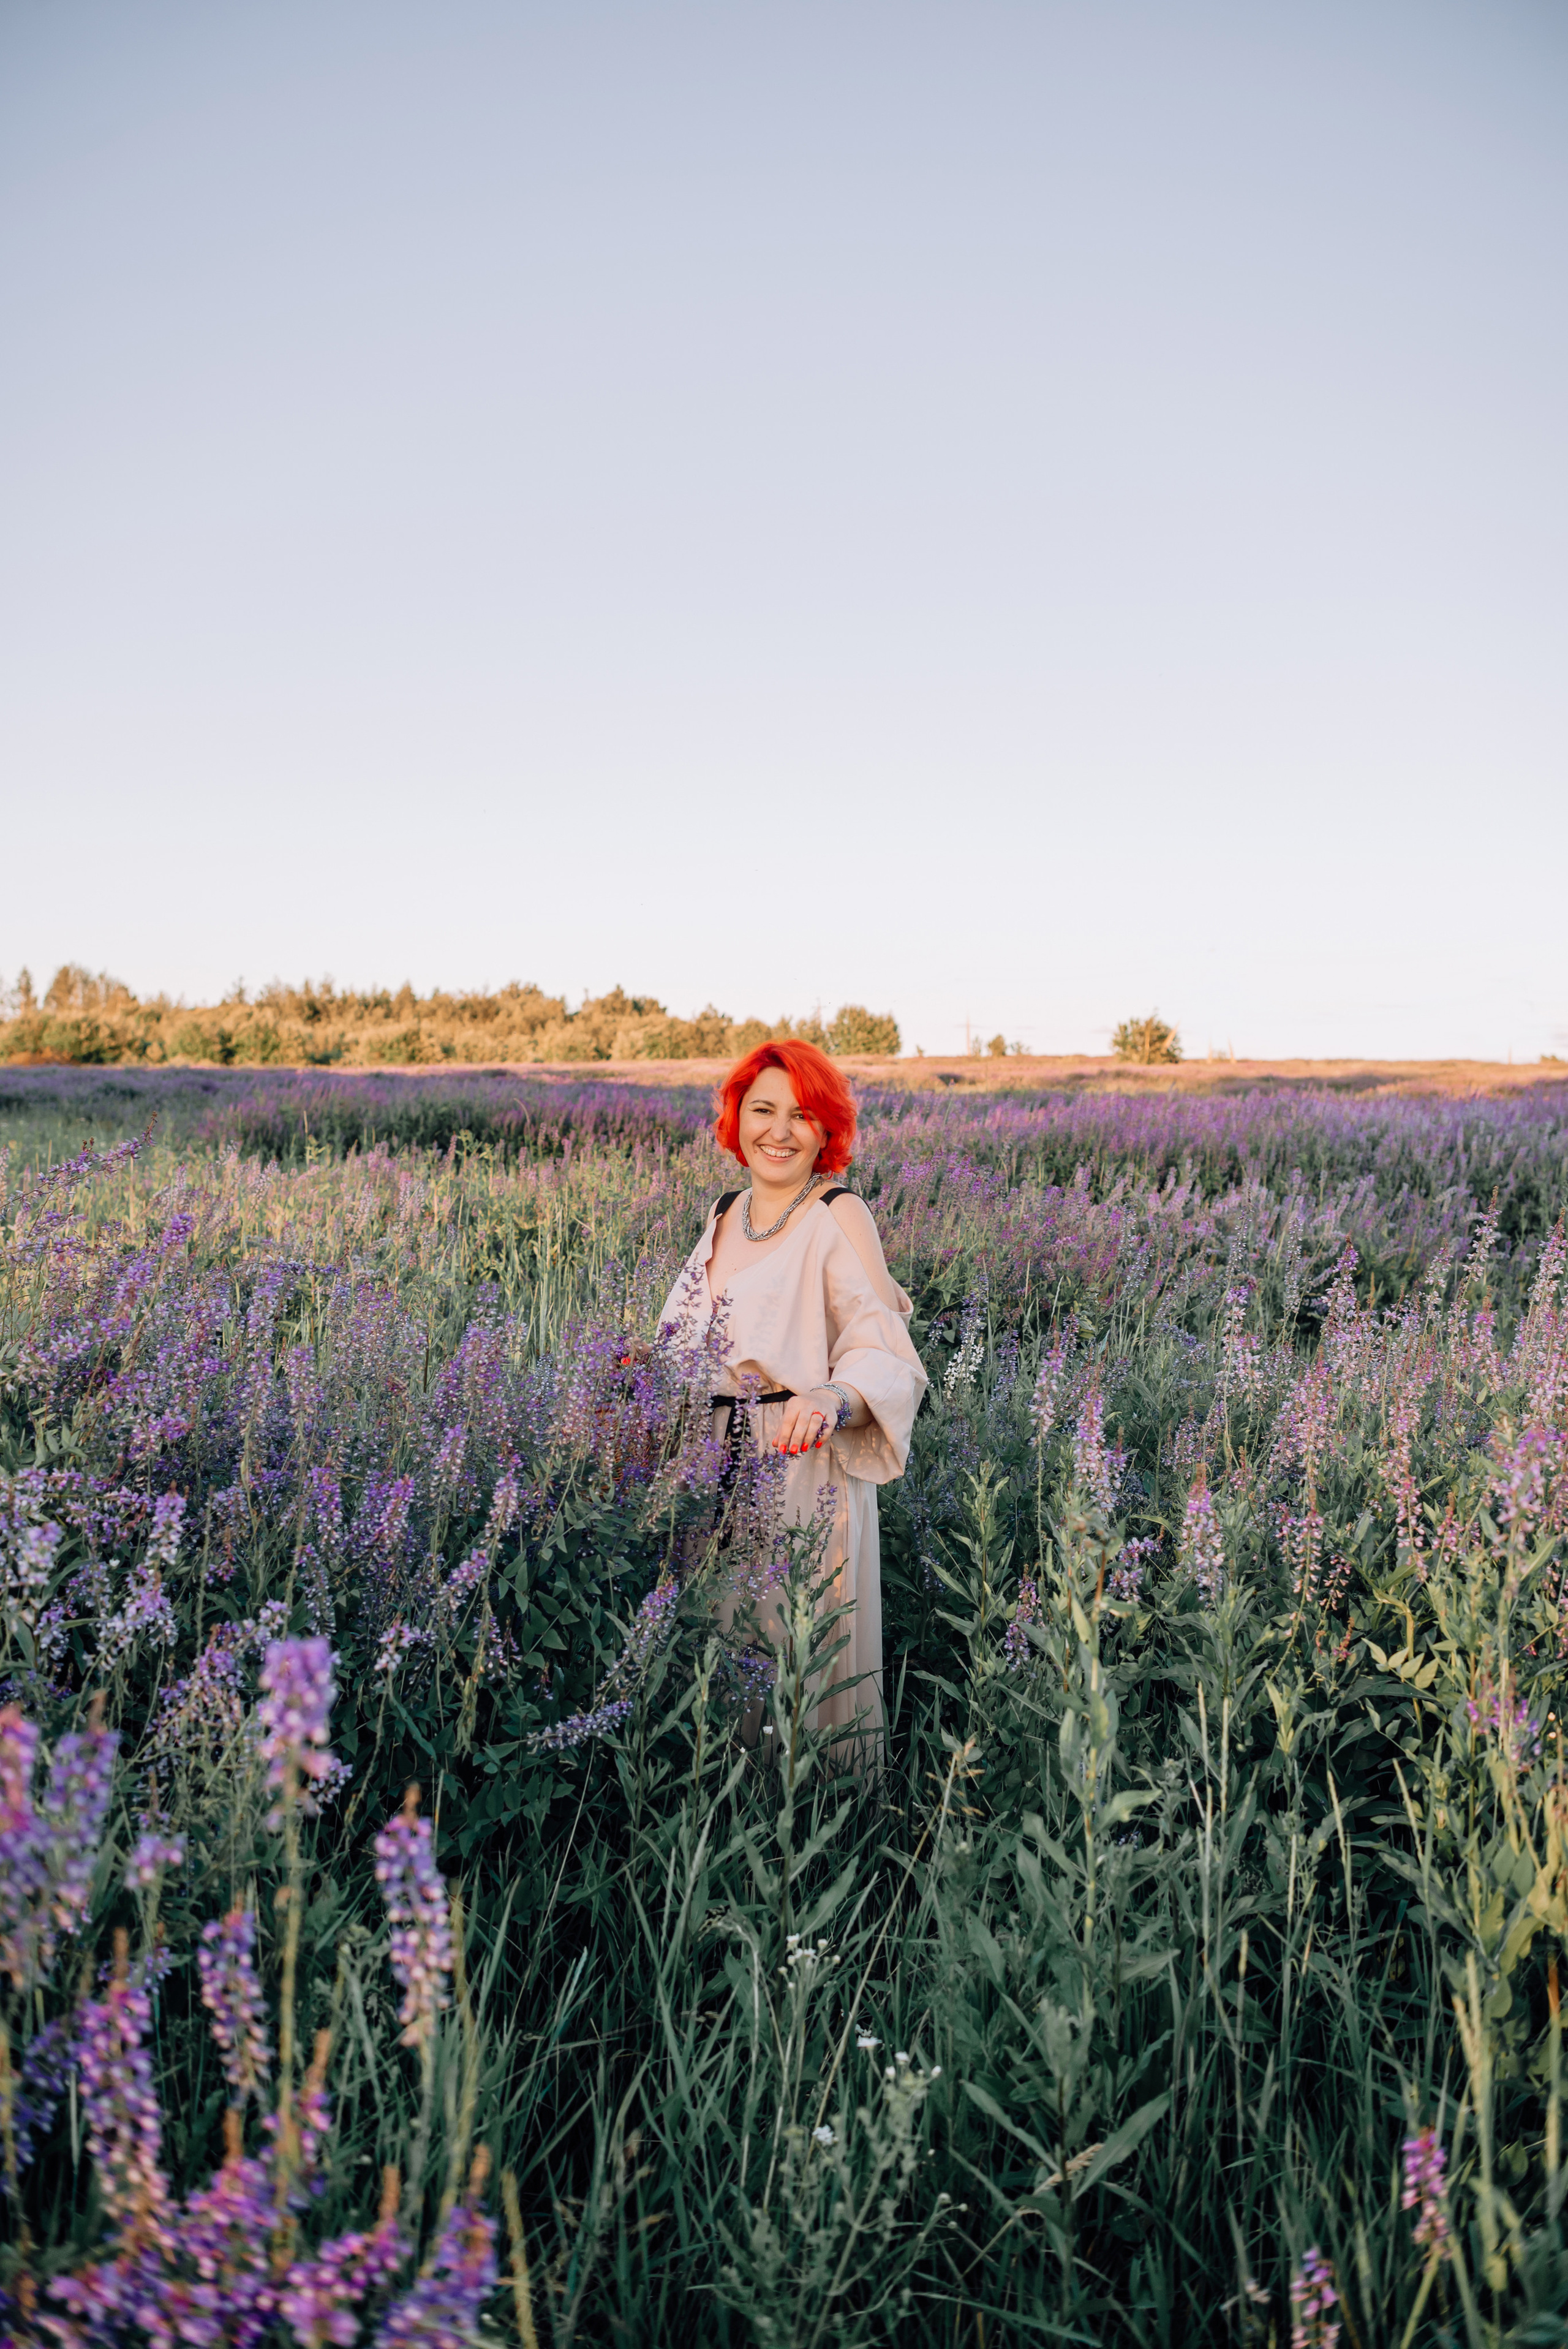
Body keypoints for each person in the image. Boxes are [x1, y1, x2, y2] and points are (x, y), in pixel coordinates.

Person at [658, 1040, 927, 1753]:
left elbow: (883, 1345)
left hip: (799, 1462)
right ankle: (722, 1806)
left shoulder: (839, 1213)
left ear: (826, 1130)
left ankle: (813, 1823)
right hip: (711, 1466)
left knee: (797, 1643)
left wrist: (834, 1398)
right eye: (763, 1110)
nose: (779, 1131)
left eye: (801, 1115)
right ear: (735, 1119)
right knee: (719, 1642)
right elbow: (689, 1339)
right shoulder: (724, 1212)